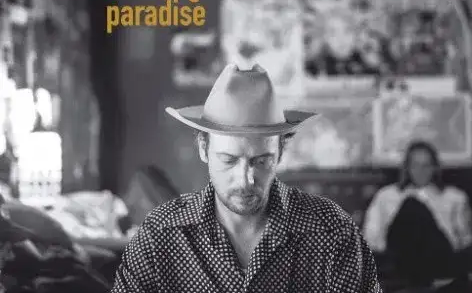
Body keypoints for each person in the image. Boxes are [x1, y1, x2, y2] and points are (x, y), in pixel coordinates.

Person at [112, 64, 382, 292]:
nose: (245, 180)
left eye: (261, 161)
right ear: (204, 149)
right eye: (229, 160)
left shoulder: (332, 231)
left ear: (280, 152)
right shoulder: (160, 234)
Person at [363, 140, 472, 287]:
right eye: (415, 165)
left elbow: (465, 240)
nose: (420, 171)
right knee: (411, 206)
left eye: (426, 166)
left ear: (435, 168)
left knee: (416, 208)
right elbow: (371, 237)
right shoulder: (386, 196)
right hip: (399, 258)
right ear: (407, 168)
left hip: (440, 259)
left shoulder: (454, 197)